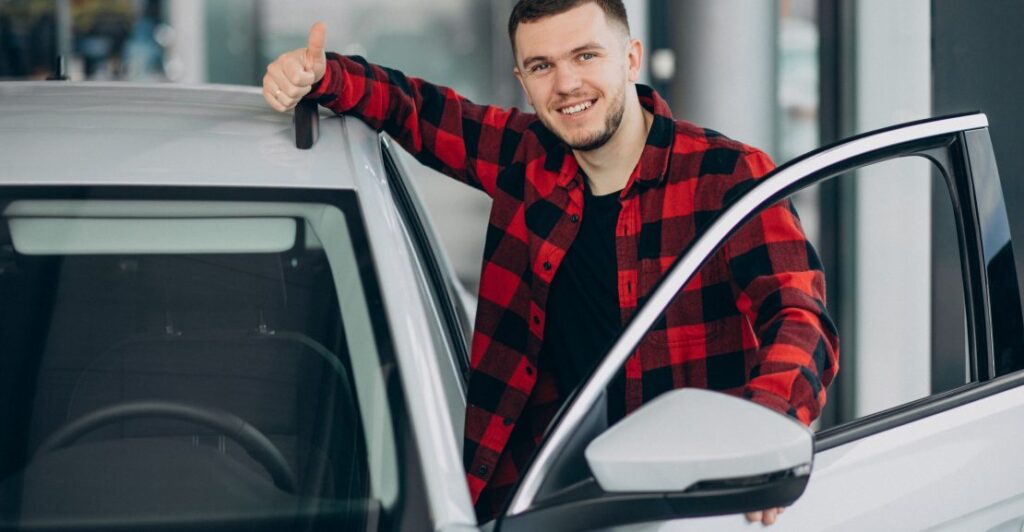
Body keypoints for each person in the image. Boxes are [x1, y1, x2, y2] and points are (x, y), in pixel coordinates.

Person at [263, 0, 838, 526]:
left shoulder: (725, 175)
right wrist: (323, 77)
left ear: (631, 57)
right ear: (523, 81)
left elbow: (798, 312)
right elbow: (419, 109)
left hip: (685, 504)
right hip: (536, 503)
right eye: (541, 66)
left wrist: (765, 435)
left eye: (586, 56)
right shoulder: (525, 158)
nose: (566, 84)